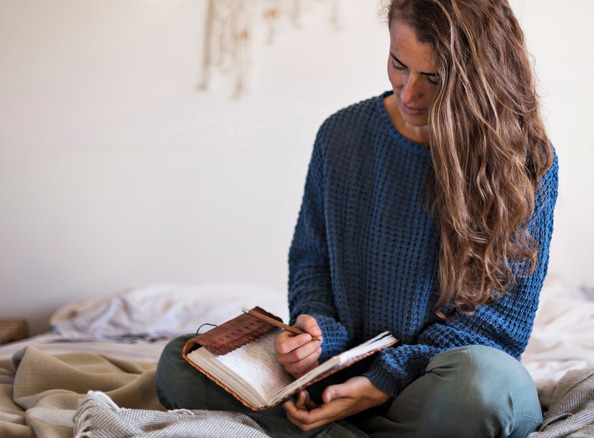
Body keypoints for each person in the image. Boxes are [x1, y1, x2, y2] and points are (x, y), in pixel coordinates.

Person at [155, 0, 558, 436]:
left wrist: (384, 381)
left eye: (434, 78)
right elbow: (311, 262)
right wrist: (316, 334)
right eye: (398, 64)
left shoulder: (524, 162)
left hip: (434, 382)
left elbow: (498, 327)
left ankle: (333, 428)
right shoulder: (340, 135)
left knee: (488, 387)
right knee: (182, 362)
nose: (409, 93)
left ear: (482, 79)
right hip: (339, 378)